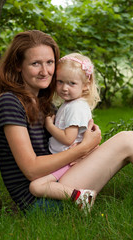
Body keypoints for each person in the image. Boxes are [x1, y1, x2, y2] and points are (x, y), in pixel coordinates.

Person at [0, 30, 133, 212]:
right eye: (36, 63)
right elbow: (31, 170)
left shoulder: (45, 104)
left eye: (50, 62)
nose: (45, 71)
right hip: (40, 198)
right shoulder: (10, 102)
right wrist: (82, 149)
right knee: (127, 140)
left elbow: (64, 144)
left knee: (127, 140)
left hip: (59, 180)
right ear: (18, 65)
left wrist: (86, 149)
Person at [29, 53, 100, 210]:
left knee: (36, 186)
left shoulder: (76, 107)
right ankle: (80, 196)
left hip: (69, 160)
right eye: (60, 82)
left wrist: (49, 126)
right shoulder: (70, 104)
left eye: (71, 83)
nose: (64, 88)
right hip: (64, 159)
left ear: (86, 85)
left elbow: (69, 139)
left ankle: (81, 197)